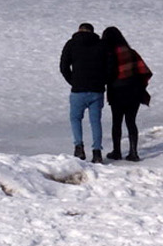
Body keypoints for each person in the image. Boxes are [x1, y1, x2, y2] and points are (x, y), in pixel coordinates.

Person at [60, 22, 109, 164]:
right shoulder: (101, 45)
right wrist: (102, 82)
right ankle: (97, 152)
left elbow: (63, 66)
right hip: (96, 90)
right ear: (92, 31)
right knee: (95, 121)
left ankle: (79, 147)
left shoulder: (71, 44)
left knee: (75, 119)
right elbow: (109, 66)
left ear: (79, 30)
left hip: (78, 90)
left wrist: (73, 81)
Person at [102, 26, 152, 161]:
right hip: (134, 91)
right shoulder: (131, 52)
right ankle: (133, 152)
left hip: (117, 92)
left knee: (116, 122)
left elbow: (107, 74)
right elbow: (145, 71)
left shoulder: (108, 54)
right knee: (131, 122)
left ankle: (117, 152)